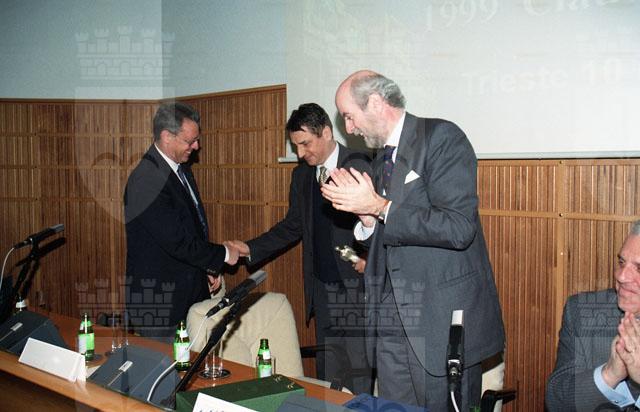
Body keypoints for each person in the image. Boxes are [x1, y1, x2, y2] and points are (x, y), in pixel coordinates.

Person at [321, 70, 505, 410]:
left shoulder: (441, 137)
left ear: (375, 103)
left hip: (439, 321)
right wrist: (367, 219)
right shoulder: (382, 158)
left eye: (349, 116)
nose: (348, 128)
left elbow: (458, 227)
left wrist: (379, 207)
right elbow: (392, 231)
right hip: (392, 323)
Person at [227, 103, 374, 394]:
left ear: (327, 133)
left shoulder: (361, 165)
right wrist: (249, 248)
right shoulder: (302, 175)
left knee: (358, 373)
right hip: (321, 288)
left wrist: (370, 258)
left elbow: (379, 222)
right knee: (329, 373)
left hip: (357, 287)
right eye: (295, 146)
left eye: (305, 143)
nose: (300, 153)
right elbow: (292, 226)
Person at [124, 102, 238, 341]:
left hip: (188, 296)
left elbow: (192, 227)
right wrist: (223, 254)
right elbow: (177, 241)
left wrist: (206, 266)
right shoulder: (147, 180)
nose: (196, 146)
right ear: (167, 136)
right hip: (160, 306)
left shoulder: (180, 169)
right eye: (190, 141)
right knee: (164, 365)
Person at [546, 220, 640, 411]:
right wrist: (609, 374)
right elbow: (556, 403)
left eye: (639, 268)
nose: (621, 276)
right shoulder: (582, 312)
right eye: (621, 262)